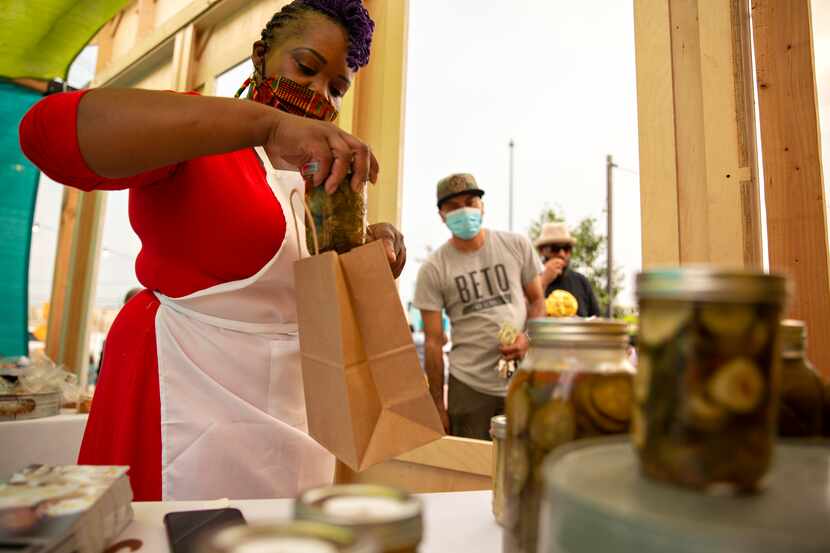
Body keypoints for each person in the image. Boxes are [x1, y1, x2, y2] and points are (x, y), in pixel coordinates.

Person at [19, 0, 406, 501]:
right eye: (305, 68)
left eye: (335, 88)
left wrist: (370, 252)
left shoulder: (317, 186)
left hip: (294, 423)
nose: (318, 94)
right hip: (186, 405)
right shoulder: (197, 136)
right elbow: (45, 133)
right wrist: (263, 125)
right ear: (261, 55)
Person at [413, 173, 545, 440]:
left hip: (523, 380)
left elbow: (538, 301)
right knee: (472, 469)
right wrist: (437, 405)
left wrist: (528, 339)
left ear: (482, 205)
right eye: (453, 206)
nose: (464, 210)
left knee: (526, 464)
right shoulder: (434, 268)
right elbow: (433, 343)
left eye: (470, 201)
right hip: (469, 388)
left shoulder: (516, 245)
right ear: (441, 214)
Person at [536, 222, 601, 317]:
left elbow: (595, 320)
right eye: (555, 248)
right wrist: (543, 280)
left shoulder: (581, 282)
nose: (562, 254)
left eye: (566, 248)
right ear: (541, 251)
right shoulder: (530, 282)